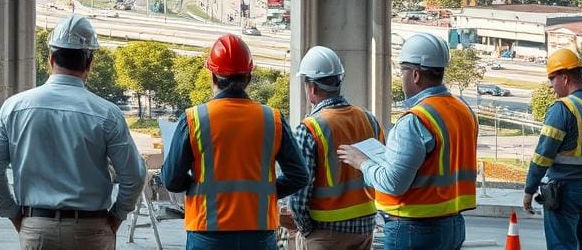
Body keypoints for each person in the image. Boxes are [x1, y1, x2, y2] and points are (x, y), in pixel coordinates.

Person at [0, 14, 146, 250]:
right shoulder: (107, 113)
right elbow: (134, 175)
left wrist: (14, 215)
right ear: (89, 62)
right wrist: (116, 217)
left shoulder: (14, 107)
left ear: (50, 59)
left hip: (36, 226)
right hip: (91, 229)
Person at [162, 33, 309, 250]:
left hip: (207, 231)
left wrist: (197, 187)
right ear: (248, 77)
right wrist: (264, 191)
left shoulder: (194, 119)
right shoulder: (272, 119)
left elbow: (172, 180)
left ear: (213, 76)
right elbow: (299, 175)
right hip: (258, 233)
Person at [338, 34, 477, 250]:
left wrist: (362, 162)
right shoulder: (464, 111)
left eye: (401, 71)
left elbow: (393, 184)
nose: (400, 77)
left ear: (415, 74)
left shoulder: (416, 119)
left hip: (414, 229)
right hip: (453, 226)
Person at [290, 46, 383, 250]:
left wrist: (307, 232)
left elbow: (299, 195)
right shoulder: (368, 119)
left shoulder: (310, 128)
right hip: (365, 229)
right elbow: (384, 169)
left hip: (325, 234)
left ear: (312, 88)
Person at [522, 48, 582, 250]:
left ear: (564, 77)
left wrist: (529, 189)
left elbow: (543, 155)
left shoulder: (563, 108)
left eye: (552, 78)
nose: (551, 85)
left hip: (566, 191)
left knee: (562, 245)